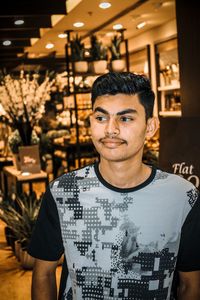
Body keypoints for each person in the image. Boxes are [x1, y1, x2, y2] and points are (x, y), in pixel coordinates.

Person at [28, 72, 200, 300]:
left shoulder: (182, 196)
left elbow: (190, 285)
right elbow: (43, 274)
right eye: (101, 118)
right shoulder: (64, 192)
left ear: (150, 127)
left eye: (125, 118)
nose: (111, 129)